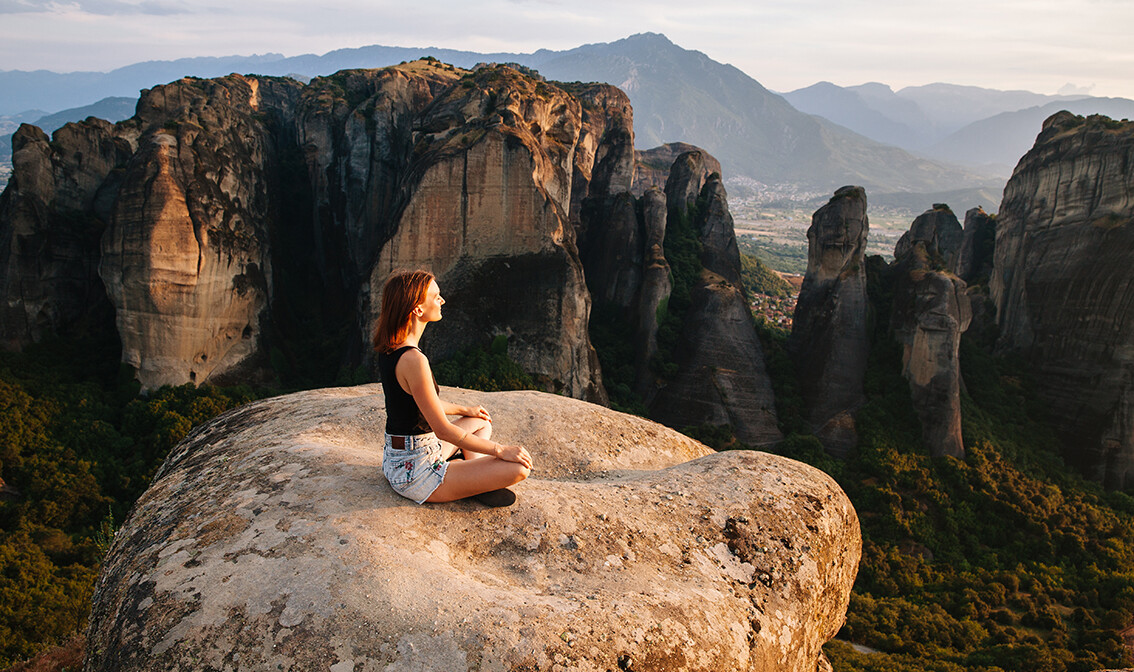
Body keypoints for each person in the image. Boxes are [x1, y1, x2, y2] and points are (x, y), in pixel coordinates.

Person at [374, 269, 532, 506]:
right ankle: (474, 479)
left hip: (399, 458)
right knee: (518, 467)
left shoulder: (391, 348)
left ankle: (473, 476)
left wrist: (464, 410)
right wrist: (499, 450)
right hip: (418, 473)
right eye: (435, 296)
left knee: (481, 421)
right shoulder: (414, 361)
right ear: (417, 309)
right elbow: (444, 432)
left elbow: (421, 403)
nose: (442, 300)